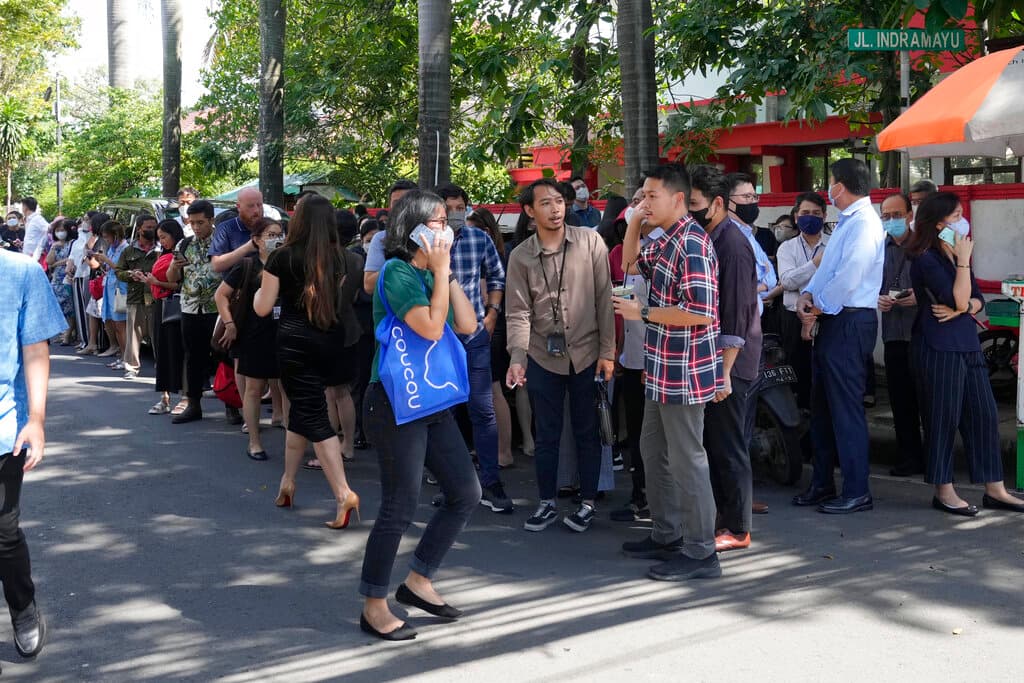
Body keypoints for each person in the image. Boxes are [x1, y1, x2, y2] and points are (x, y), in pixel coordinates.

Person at [358, 189, 480, 641]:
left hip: (431, 403)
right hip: (392, 403)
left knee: (465, 492)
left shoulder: (432, 276)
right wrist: (441, 270)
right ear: (410, 230)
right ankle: (374, 603)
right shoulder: (395, 272)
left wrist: (444, 274)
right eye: (436, 221)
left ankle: (418, 580)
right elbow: (430, 327)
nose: (446, 228)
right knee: (400, 505)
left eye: (448, 220)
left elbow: (467, 324)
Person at [613, 163, 722, 581]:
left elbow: (700, 312)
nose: (643, 203)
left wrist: (642, 312)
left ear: (678, 198)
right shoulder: (666, 237)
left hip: (685, 369)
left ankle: (700, 551)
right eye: (641, 196)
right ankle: (666, 533)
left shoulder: (692, 242)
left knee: (687, 460)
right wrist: (635, 223)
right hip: (660, 366)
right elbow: (631, 265)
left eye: (650, 196)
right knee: (653, 452)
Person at [505, 178, 615, 533]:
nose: (555, 209)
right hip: (541, 353)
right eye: (546, 203)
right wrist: (517, 356)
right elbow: (518, 312)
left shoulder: (590, 241)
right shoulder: (521, 255)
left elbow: (604, 300)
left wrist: (608, 352)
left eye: (559, 202)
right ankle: (547, 501)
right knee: (547, 432)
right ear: (529, 211)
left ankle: (587, 502)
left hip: (587, 351)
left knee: (588, 430)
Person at [905, 192, 1024, 515]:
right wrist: (962, 271)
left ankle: (995, 489)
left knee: (984, 416)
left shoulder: (954, 253)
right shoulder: (927, 258)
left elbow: (975, 302)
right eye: (956, 216)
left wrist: (962, 306)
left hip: (967, 343)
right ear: (939, 222)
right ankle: (943, 490)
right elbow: (960, 299)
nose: (962, 221)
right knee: (943, 419)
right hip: (938, 346)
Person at [254, 194, 359, 527]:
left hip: (295, 342)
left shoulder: (281, 257)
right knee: (303, 408)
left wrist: (262, 277)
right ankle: (287, 481)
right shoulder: (344, 258)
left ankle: (343, 493)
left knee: (311, 414)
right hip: (331, 340)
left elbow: (261, 307)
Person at [793, 158, 885, 514]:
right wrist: (807, 295)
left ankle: (857, 489)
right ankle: (822, 483)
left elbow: (849, 277)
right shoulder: (848, 222)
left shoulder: (864, 224)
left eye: (830, 183)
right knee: (821, 407)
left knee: (845, 409)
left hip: (848, 320)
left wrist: (817, 305)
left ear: (840, 187)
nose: (828, 190)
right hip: (833, 318)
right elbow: (828, 269)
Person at [687, 165, 761, 552]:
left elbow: (736, 314)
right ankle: (723, 518)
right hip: (717, 361)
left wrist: (724, 373)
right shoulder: (711, 236)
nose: (690, 211)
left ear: (716, 203)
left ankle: (737, 526)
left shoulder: (730, 244)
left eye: (695, 204)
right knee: (716, 443)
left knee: (728, 444)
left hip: (729, 362)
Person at [0, 246, 67, 660]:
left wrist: (37, 419)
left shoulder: (21, 271)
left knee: (3, 531)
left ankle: (23, 609)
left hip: (5, 425)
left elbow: (35, 350)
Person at [435, 184, 512, 513]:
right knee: (445, 413)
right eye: (448, 208)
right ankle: (452, 485)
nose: (454, 213)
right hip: (436, 340)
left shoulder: (479, 239)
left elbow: (497, 276)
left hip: (475, 336)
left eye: (459, 207)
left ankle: (491, 481)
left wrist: (493, 313)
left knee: (483, 410)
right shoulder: (424, 245)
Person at [607, 204, 665, 523]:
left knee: (653, 438)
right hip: (631, 356)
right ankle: (639, 496)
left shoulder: (660, 252)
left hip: (652, 361)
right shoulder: (627, 259)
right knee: (638, 436)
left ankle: (655, 503)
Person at [214, 218, 287, 459]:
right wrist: (229, 323)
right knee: (253, 389)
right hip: (253, 335)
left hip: (285, 334)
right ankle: (255, 441)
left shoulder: (290, 264)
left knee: (289, 388)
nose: (277, 238)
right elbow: (221, 295)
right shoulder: (248, 265)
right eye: (270, 234)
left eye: (279, 234)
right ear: (256, 240)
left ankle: (292, 439)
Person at [877, 193, 926, 477]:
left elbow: (939, 285)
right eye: (886, 216)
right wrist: (878, 298)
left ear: (910, 215)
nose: (891, 221)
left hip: (921, 332)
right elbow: (867, 283)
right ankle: (909, 457)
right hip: (893, 333)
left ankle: (934, 457)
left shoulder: (924, 246)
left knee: (927, 399)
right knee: (901, 400)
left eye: (897, 215)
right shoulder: (877, 249)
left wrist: (919, 296)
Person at [467, 208, 515, 467]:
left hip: (488, 326)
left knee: (492, 391)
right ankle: (498, 450)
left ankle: (503, 451)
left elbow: (486, 296)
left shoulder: (487, 257)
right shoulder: (498, 254)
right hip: (491, 324)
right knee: (491, 392)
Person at [166, 200, 221, 424]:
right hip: (190, 307)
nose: (196, 227)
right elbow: (172, 279)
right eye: (192, 223)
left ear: (211, 220)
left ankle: (232, 405)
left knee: (222, 357)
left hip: (216, 307)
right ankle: (194, 404)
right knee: (192, 356)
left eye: (201, 222)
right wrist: (173, 267)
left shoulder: (221, 242)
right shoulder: (184, 244)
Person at [776, 191, 828, 409]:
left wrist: (802, 278)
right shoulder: (787, 247)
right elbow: (786, 281)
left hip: (825, 316)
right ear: (796, 217)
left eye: (816, 213)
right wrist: (815, 264)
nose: (811, 217)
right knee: (797, 373)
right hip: (793, 318)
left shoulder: (834, 244)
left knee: (823, 373)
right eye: (805, 212)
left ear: (824, 216)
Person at [146, 220, 187, 416]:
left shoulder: (182, 251)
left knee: (178, 352)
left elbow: (180, 284)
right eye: (159, 238)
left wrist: (156, 281)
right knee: (161, 353)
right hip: (160, 305)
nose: (161, 241)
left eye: (164, 237)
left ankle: (186, 397)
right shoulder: (163, 253)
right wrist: (150, 281)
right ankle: (164, 397)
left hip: (176, 305)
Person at [725, 174, 780, 313]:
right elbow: (737, 285)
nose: (752, 202)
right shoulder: (727, 235)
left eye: (754, 197)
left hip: (752, 319)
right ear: (727, 201)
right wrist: (761, 285)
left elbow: (772, 278)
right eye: (746, 197)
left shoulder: (748, 234)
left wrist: (759, 284)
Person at [115, 217, 159, 380]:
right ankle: (131, 367)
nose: (152, 230)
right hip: (135, 296)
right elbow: (119, 271)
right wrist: (130, 275)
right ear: (139, 229)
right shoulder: (129, 250)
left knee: (157, 333)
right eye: (148, 227)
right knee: (133, 333)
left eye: (154, 227)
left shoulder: (161, 247)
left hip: (155, 295)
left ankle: (161, 365)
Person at [363, 179, 419, 295]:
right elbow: (369, 286)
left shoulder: (430, 236)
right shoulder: (380, 238)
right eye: (397, 203)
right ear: (390, 207)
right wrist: (401, 265)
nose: (402, 207)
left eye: (407, 202)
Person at [93, 221, 129, 365]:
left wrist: (107, 260)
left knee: (121, 325)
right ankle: (121, 355)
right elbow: (109, 267)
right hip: (110, 287)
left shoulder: (125, 249)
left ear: (116, 235)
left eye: (107, 237)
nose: (106, 240)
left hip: (120, 289)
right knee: (114, 324)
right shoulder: (112, 249)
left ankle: (127, 357)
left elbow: (122, 269)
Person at [209, 187, 264, 273]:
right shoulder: (226, 228)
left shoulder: (270, 227)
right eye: (250, 206)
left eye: (259, 205)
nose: (256, 210)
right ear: (238, 207)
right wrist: (248, 247)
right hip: (236, 285)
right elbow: (216, 265)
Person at [67, 217, 98, 351]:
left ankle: (91, 342)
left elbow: (89, 251)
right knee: (80, 310)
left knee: (89, 310)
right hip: (78, 275)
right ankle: (84, 339)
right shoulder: (78, 238)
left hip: (88, 275)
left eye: (87, 219)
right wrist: (69, 266)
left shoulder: (94, 237)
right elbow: (72, 256)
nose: (84, 222)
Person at [45, 219, 76, 345]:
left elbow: (71, 259)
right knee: (59, 307)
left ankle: (68, 334)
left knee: (69, 307)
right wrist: (53, 248)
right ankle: (63, 332)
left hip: (68, 278)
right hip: (57, 279)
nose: (60, 233)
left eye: (62, 230)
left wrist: (57, 264)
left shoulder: (72, 243)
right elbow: (49, 261)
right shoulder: (55, 244)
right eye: (57, 231)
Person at [19, 197, 49, 263]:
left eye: (22, 206)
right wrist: (22, 243)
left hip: (36, 257)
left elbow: (49, 231)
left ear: (25, 207)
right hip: (28, 256)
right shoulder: (29, 220)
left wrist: (40, 247)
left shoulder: (37, 219)